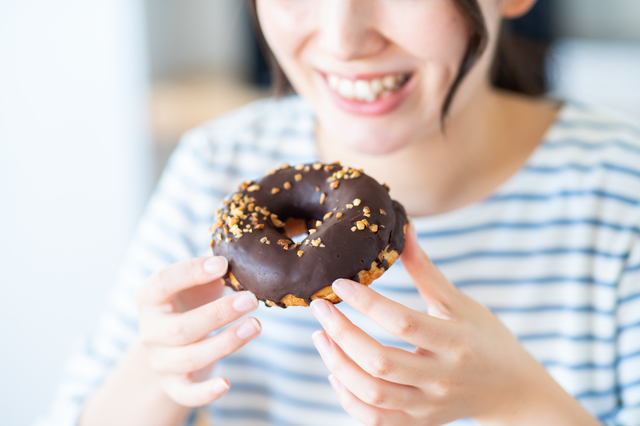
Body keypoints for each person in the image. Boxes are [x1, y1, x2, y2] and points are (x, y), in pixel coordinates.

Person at [38, 0, 640, 425]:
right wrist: (160, 369)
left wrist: (515, 399)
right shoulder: (214, 167)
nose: (343, 38)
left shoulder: (623, 190)